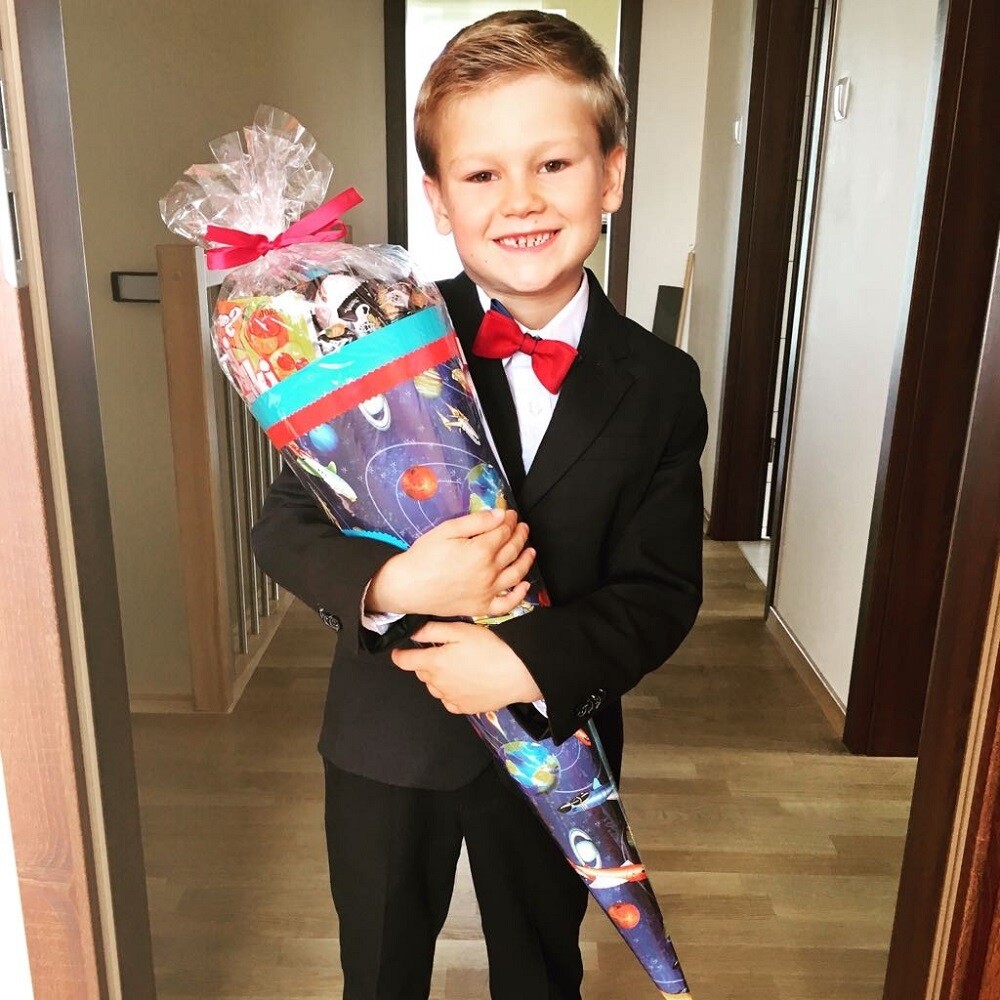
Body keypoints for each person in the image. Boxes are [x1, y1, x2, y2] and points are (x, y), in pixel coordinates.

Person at [251, 10, 708, 999]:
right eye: (482, 174)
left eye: (554, 164)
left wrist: (527, 662)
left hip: (555, 740)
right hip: (386, 741)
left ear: (611, 175)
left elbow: (661, 592)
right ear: (438, 199)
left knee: (540, 972)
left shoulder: (663, 386)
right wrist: (395, 583)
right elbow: (285, 525)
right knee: (377, 970)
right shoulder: (380, 337)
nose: (521, 201)